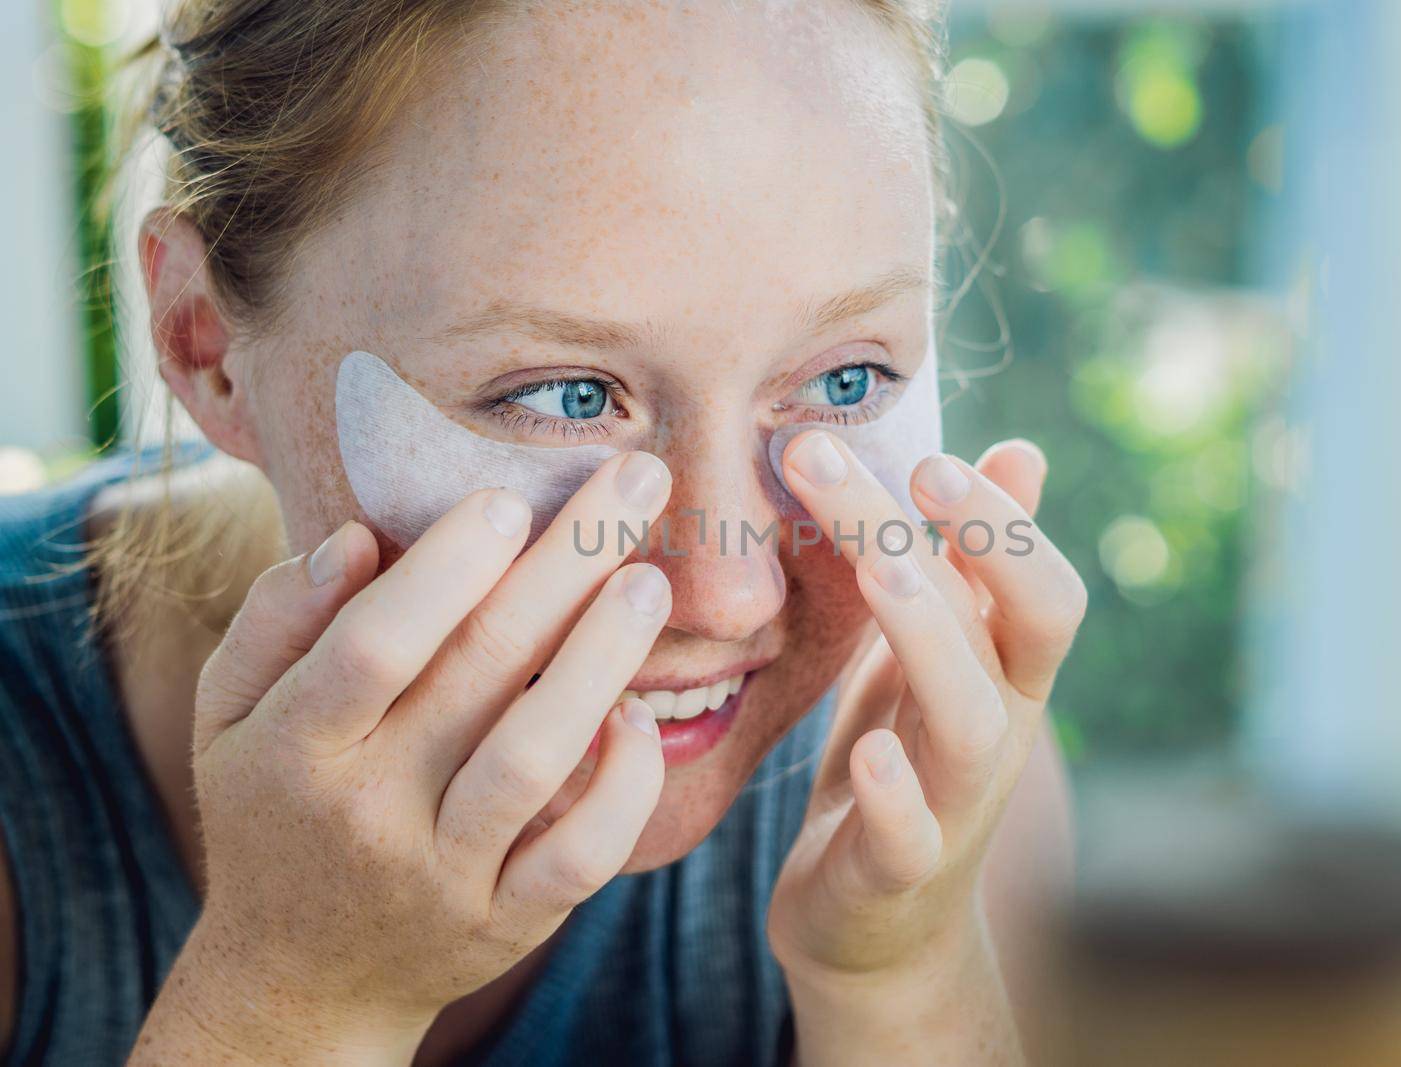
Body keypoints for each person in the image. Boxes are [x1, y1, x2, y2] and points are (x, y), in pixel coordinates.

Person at [0, 1, 1084, 1063]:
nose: (727, 593)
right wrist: (297, 990)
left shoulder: (921, 790)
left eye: (848, 378)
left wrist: (897, 979)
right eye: (564, 395)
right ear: (205, 346)